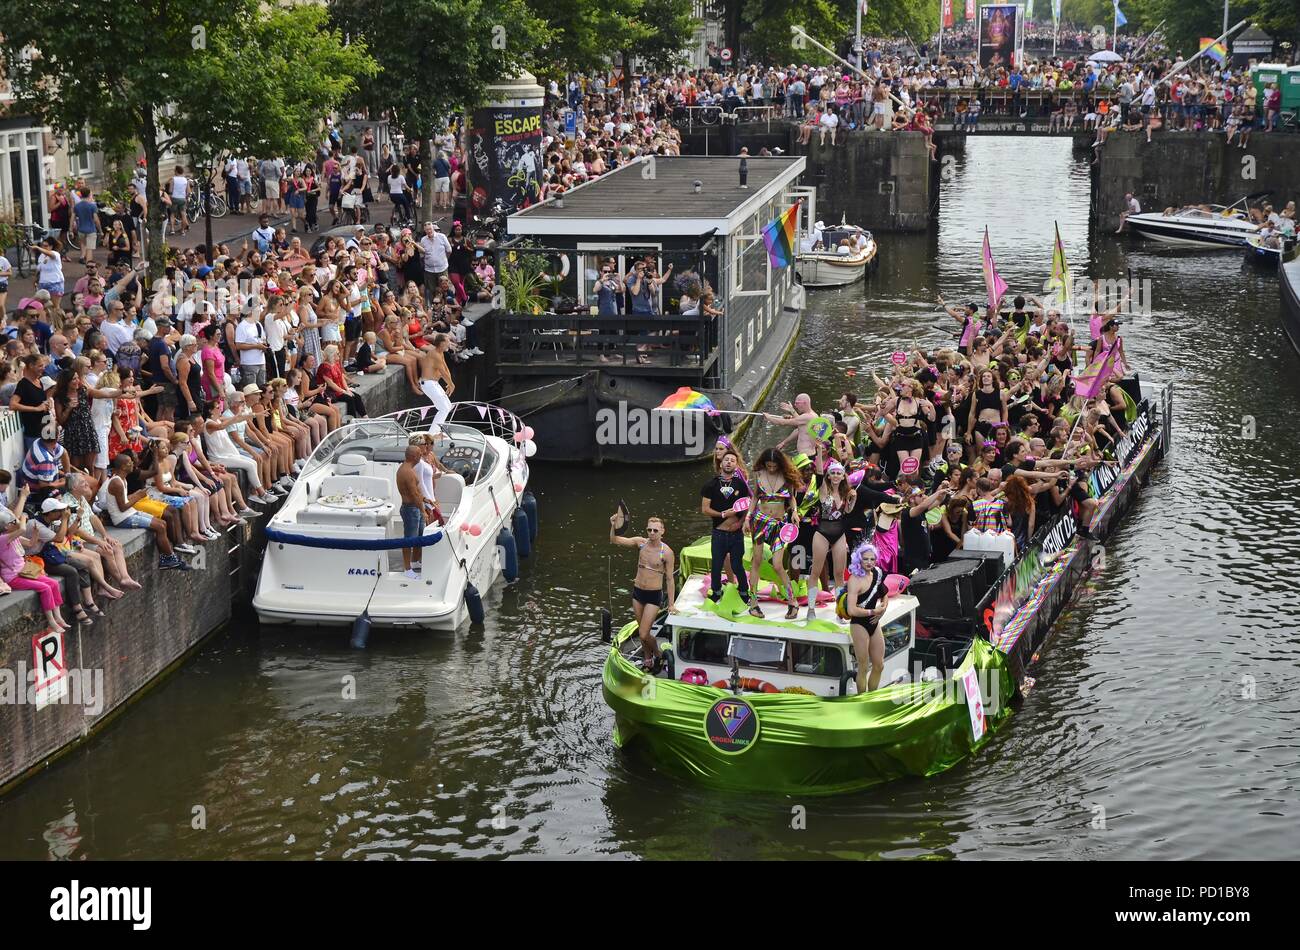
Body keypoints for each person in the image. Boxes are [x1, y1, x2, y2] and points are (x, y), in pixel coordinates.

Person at [609, 512, 676, 670]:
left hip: (653, 595)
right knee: (641, 631)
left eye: (655, 530)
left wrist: (671, 604)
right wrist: (613, 525)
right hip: (638, 593)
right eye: (649, 530)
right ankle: (647, 658)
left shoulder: (666, 552)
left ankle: (658, 654)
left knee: (644, 634)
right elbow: (615, 540)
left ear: (662, 531)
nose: (652, 533)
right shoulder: (641, 543)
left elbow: (670, 579)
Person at [700, 447, 756, 612]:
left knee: (737, 565)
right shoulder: (711, 484)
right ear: (721, 462)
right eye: (726, 460)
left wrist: (740, 523)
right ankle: (716, 591)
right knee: (716, 566)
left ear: (736, 464)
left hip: (736, 534)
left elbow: (747, 505)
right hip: (718, 532)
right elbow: (705, 509)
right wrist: (723, 514)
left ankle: (744, 592)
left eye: (732, 460)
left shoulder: (741, 484)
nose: (729, 462)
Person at [844, 541, 895, 693]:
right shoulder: (854, 580)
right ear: (859, 559)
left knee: (879, 665)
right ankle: (862, 700)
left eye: (872, 559)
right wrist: (873, 612)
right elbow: (851, 610)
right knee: (863, 666)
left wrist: (883, 610)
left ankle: (871, 697)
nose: (869, 562)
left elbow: (884, 594)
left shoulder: (877, 574)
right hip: (859, 624)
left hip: (874, 623)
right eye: (865, 559)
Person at [395, 444, 430, 578]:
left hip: (415, 507)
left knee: (419, 536)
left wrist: (425, 500)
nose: (422, 455)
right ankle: (407, 569)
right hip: (411, 509)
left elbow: (416, 493)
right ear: (413, 456)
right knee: (409, 540)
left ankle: (415, 562)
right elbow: (413, 494)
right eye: (420, 454)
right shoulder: (407, 472)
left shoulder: (410, 469)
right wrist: (423, 511)